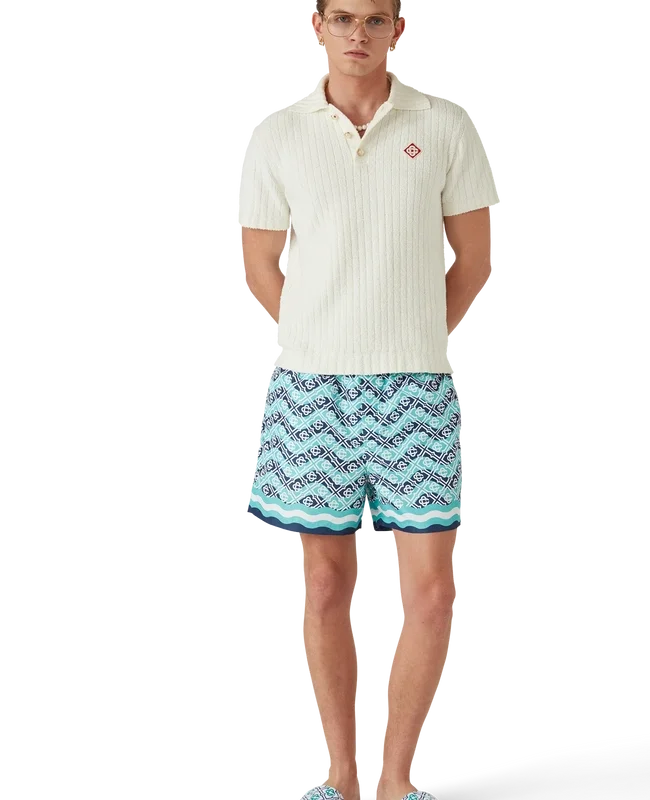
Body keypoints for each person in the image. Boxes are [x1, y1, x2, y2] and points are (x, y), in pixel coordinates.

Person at [238, 2, 500, 797]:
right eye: (344, 18)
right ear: (316, 25)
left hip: (416, 385)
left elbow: (473, 258)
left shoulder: (446, 124)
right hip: (311, 387)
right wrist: (322, 338)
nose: (359, 34)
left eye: (376, 20)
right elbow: (261, 266)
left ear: (399, 31)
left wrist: (412, 335)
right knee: (323, 586)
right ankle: (340, 780)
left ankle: (394, 783)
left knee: (430, 592)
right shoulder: (277, 132)